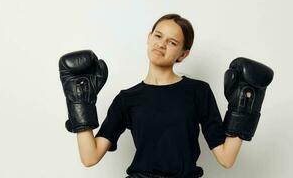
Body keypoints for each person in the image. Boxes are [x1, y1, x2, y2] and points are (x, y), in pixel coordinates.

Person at [59, 14, 273, 178]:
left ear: (183, 54)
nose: (161, 44)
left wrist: (244, 109)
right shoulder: (127, 99)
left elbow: (226, 159)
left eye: (172, 42)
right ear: (149, 38)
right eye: (158, 36)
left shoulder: (198, 91)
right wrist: (79, 103)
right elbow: (90, 157)